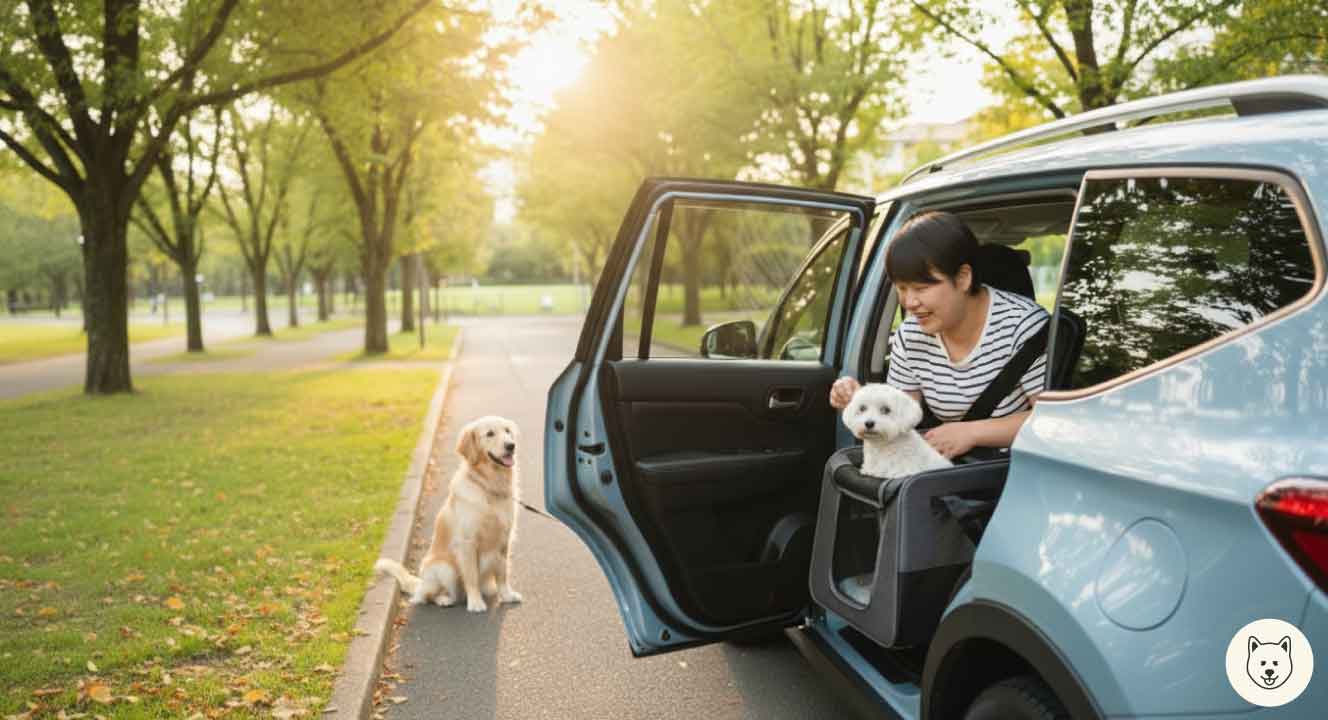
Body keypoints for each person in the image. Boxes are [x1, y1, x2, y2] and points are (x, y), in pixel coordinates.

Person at [830, 211, 1049, 459]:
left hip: (1019, 469)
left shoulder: (1024, 326)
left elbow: (1051, 420)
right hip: (947, 474)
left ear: (963, 278)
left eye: (921, 288)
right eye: (901, 288)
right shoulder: (911, 334)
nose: (909, 302)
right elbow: (900, 418)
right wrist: (863, 401)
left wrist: (973, 433)